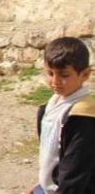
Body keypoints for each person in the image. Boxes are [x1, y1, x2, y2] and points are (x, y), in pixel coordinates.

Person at [30, 36, 95, 194]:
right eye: (50, 73)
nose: (55, 81)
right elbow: (52, 156)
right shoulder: (48, 108)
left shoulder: (83, 116)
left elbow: (76, 170)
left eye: (64, 75)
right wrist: (41, 184)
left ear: (85, 74)